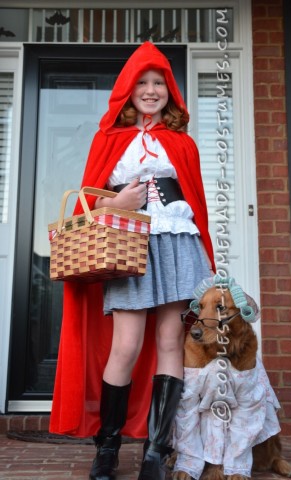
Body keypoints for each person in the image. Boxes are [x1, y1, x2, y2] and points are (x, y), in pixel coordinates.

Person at [49, 41, 215, 480]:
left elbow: (195, 202)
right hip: (128, 246)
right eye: (142, 82)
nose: (150, 90)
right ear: (127, 90)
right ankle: (107, 447)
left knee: (169, 342)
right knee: (125, 344)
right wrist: (117, 202)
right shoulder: (108, 140)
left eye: (159, 82)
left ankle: (157, 452)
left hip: (178, 243)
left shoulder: (182, 143)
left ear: (170, 92)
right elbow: (87, 207)